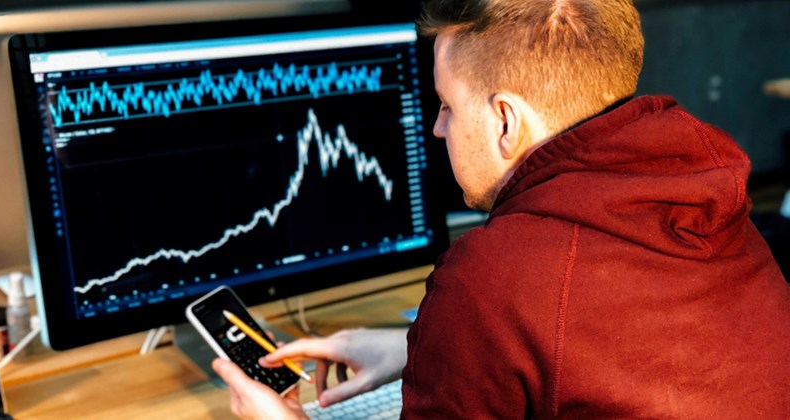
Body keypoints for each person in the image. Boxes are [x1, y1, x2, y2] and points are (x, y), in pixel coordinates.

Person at [213, 0, 790, 417]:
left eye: (446, 106)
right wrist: (420, 351)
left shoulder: (496, 277)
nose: (438, 129)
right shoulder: (712, 201)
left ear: (506, 121)